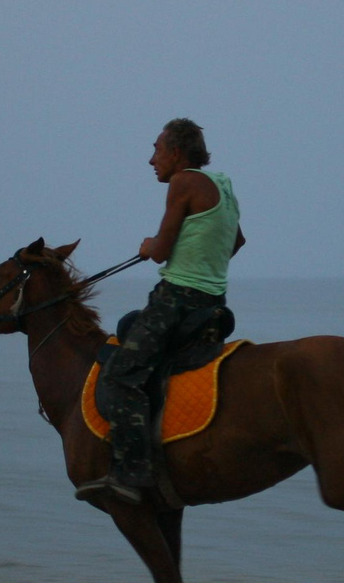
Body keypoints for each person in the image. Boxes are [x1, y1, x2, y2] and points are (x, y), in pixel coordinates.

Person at [77, 118, 245, 506]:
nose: (151, 159)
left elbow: (162, 250)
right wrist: (201, 261)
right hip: (213, 304)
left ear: (175, 152)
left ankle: (132, 474)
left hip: (176, 301)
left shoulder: (182, 182)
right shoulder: (223, 186)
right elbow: (236, 241)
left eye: (156, 150)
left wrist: (150, 245)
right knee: (129, 330)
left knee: (120, 375)